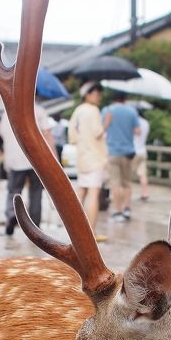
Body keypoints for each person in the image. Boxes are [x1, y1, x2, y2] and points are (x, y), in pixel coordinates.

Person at [0, 98, 55, 236]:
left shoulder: (7, 112)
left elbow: (3, 134)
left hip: (14, 159)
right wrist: (54, 157)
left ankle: (12, 215)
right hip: (35, 159)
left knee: (14, 190)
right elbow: (47, 134)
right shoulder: (39, 111)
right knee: (36, 192)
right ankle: (35, 227)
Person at [68, 82, 108, 241]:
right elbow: (98, 133)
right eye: (95, 93)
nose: (98, 96)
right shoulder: (93, 110)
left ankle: (75, 229)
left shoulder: (78, 111)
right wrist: (107, 123)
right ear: (87, 95)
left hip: (82, 156)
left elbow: (72, 135)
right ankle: (92, 232)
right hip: (94, 157)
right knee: (93, 193)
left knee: (82, 191)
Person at [102, 90, 140, 222]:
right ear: (125, 99)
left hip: (113, 152)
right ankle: (127, 208)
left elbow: (102, 128)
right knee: (127, 183)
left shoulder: (107, 110)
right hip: (128, 152)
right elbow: (138, 131)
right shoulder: (132, 111)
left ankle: (118, 212)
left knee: (115, 184)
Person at [132, 106, 150, 202]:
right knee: (142, 174)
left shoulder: (133, 122)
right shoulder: (146, 123)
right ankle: (145, 193)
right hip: (143, 150)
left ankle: (127, 195)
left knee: (127, 175)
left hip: (133, 151)